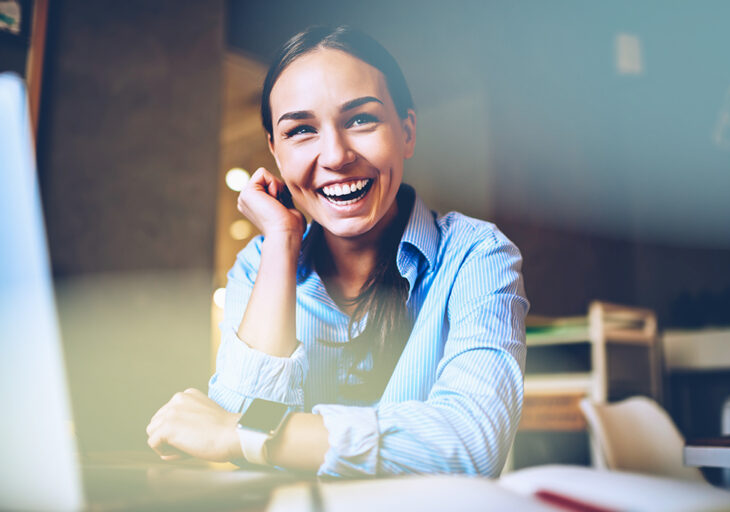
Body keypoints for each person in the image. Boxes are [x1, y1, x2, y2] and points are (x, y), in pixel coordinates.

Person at [146, 25, 528, 478]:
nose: (335, 155)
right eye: (301, 130)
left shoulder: (477, 257)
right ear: (275, 150)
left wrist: (252, 436)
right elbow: (238, 431)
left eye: (361, 120)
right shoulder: (259, 265)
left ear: (406, 132)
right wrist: (282, 241)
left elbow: (471, 442)